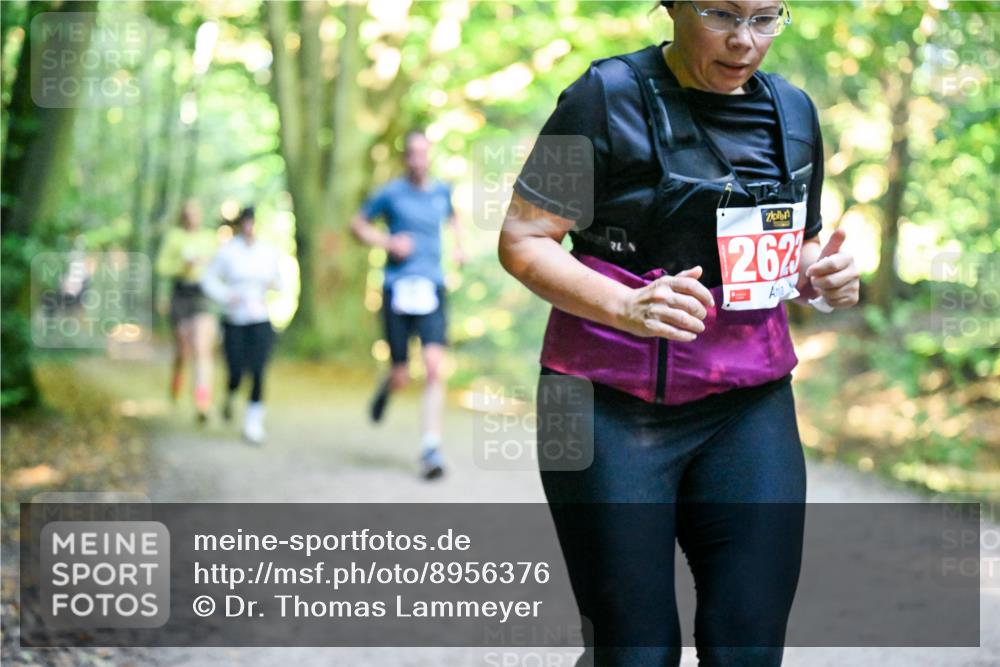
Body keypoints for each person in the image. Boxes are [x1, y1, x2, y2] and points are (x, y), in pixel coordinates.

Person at [498, 1, 860, 665]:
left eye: (765, 18)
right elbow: (523, 239)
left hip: (747, 405)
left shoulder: (796, 112)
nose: (744, 40)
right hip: (596, 402)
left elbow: (797, 246)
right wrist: (626, 305)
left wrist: (823, 272)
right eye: (722, 13)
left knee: (748, 647)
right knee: (633, 651)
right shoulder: (599, 97)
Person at [351, 130, 464, 480]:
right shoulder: (390, 193)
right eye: (411, 153)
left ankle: (431, 447)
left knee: (433, 366)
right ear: (405, 158)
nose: (418, 159)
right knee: (401, 373)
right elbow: (356, 224)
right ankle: (388, 386)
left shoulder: (442, 190)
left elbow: (453, 216)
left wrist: (459, 246)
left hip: (432, 286)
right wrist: (387, 241)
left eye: (423, 153)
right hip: (397, 289)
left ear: (430, 155)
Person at [201, 206, 284, 445]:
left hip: (260, 319)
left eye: (251, 222)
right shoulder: (228, 252)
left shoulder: (267, 252)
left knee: (258, 370)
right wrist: (227, 295)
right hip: (234, 319)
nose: (248, 227)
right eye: (244, 223)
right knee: (236, 369)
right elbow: (209, 280)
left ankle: (253, 423)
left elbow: (279, 281)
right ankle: (230, 393)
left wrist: (273, 285)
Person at [155, 200, 218, 423]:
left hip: (202, 295)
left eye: (195, 213)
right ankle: (176, 382)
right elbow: (161, 267)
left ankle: (202, 402)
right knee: (183, 351)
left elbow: (219, 266)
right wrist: (183, 266)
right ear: (183, 216)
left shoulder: (210, 238)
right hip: (180, 294)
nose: (192, 217)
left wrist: (207, 263)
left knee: (202, 349)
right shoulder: (174, 237)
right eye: (188, 213)